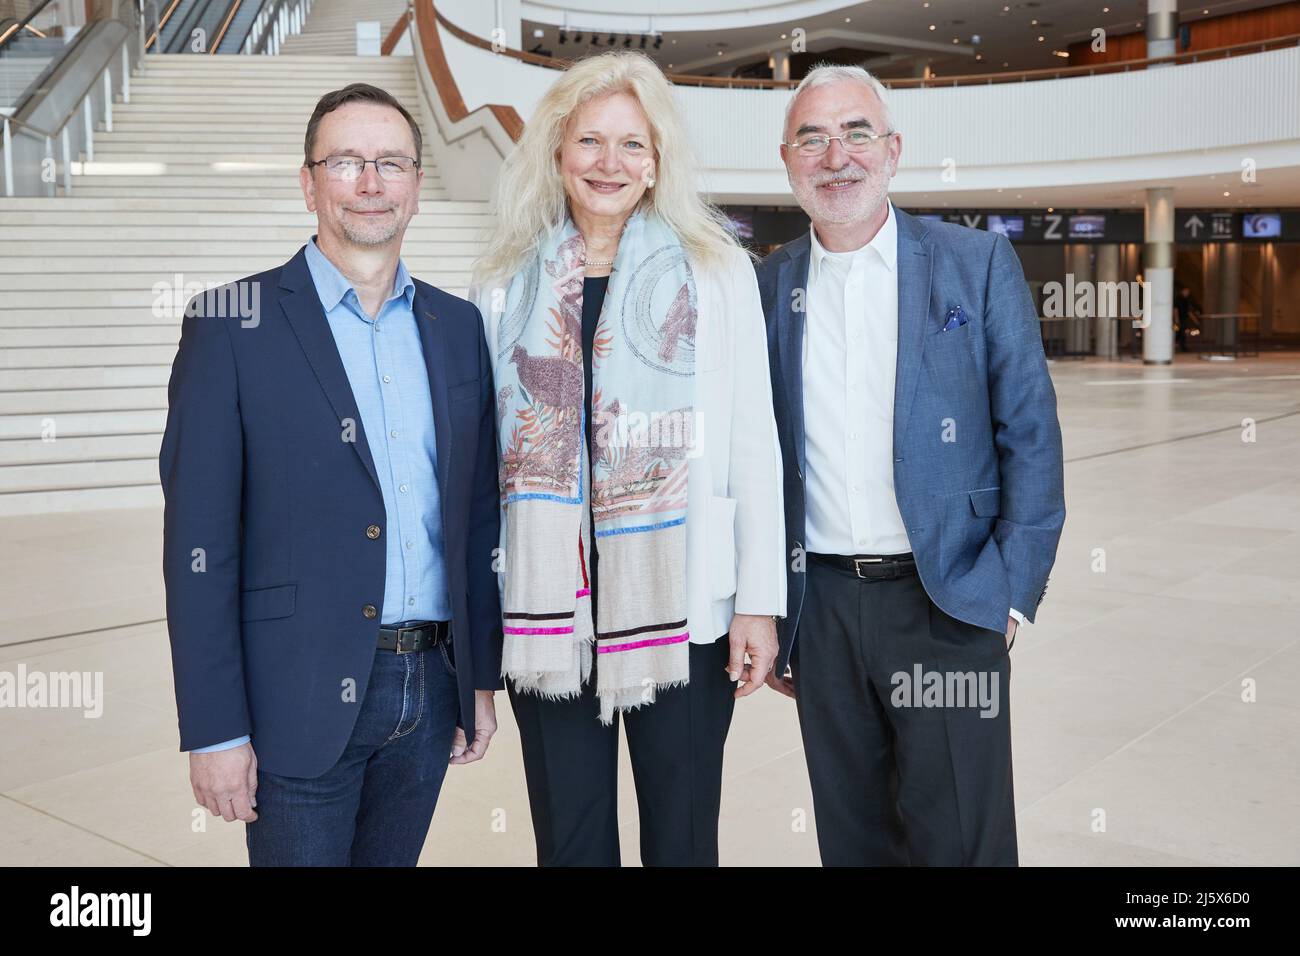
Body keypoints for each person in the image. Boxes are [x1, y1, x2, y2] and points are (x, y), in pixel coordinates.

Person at [159, 83, 503, 866]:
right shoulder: (230, 325)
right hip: (298, 697)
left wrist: (478, 675)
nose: (371, 182)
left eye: (391, 163)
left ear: (417, 184)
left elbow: (475, 517)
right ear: (308, 181)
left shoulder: (455, 327)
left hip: (431, 688)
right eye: (347, 161)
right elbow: (198, 546)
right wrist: (215, 728)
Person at [471, 51, 785, 866]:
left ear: (658, 163)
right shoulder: (506, 280)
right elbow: (485, 458)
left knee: (681, 839)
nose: (609, 163)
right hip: (550, 610)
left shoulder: (716, 273)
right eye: (589, 142)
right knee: (570, 839)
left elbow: (755, 440)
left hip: (679, 601)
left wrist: (759, 602)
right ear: (556, 153)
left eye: (632, 145)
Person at [757, 65, 1066, 866]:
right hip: (821, 612)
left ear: (893, 152)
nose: (837, 156)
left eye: (856, 132)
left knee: (962, 835)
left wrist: (1011, 593)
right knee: (853, 837)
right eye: (813, 138)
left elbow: (1030, 432)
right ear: (787, 162)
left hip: (949, 603)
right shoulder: (764, 287)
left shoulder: (975, 263)